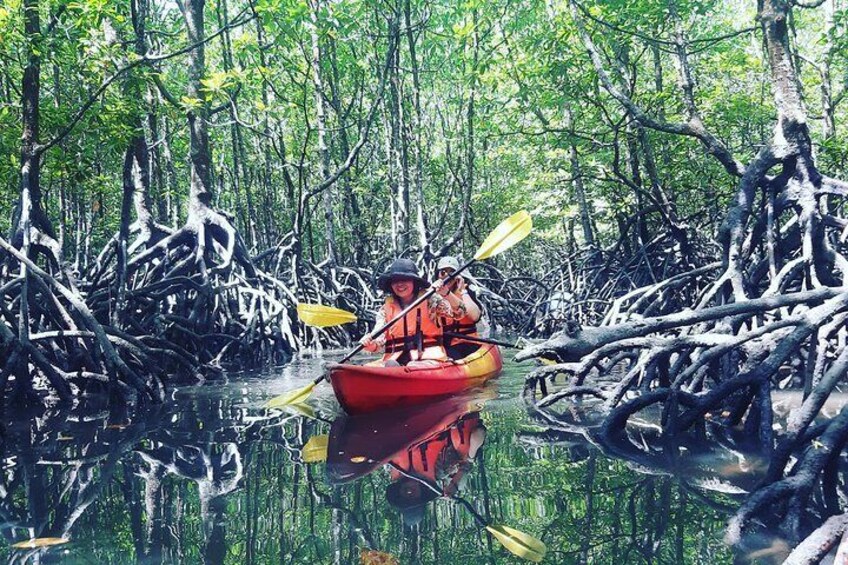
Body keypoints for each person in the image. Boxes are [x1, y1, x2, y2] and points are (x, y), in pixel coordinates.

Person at [359, 258, 462, 366]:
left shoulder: (431, 300)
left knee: (412, 365)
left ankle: (397, 373)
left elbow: (460, 313)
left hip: (428, 359)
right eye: (395, 280)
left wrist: (446, 293)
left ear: (414, 281)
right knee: (376, 366)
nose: (400, 284)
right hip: (395, 360)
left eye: (405, 279)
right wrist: (370, 344)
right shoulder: (386, 309)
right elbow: (378, 340)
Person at [433, 256, 489, 360]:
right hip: (442, 345)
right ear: (437, 275)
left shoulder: (467, 292)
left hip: (466, 343)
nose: (447, 276)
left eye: (452, 273)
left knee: (453, 353)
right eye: (443, 272)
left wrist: (463, 291)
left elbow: (475, 316)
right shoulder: (431, 295)